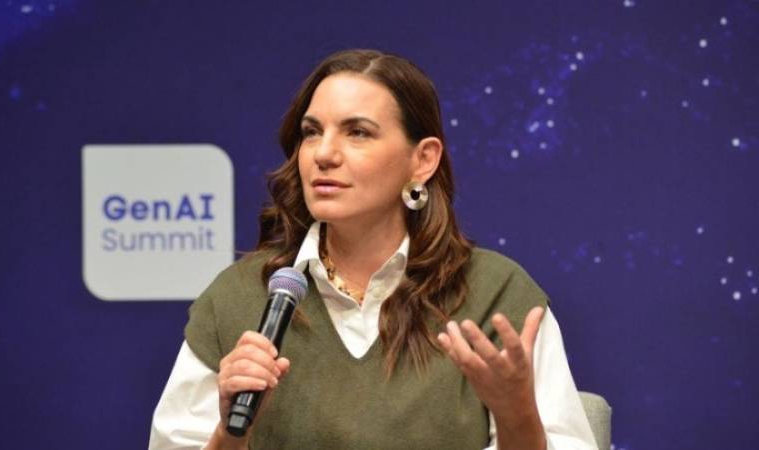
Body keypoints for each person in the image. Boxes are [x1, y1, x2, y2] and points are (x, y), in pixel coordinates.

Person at [149, 49, 597, 450]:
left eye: (358, 132)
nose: (324, 154)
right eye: (311, 132)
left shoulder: (496, 296)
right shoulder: (239, 298)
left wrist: (517, 417)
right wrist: (230, 434)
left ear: (423, 159)